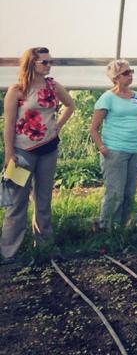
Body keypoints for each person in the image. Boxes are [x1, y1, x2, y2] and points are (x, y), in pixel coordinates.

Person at [2, 47, 75, 262]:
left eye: (50, 61)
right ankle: (9, 253)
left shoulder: (53, 86)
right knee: (17, 203)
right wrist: (8, 154)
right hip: (22, 152)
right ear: (31, 63)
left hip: (48, 149)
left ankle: (45, 248)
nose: (49, 65)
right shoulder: (17, 90)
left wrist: (57, 126)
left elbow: (70, 105)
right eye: (44, 62)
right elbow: (9, 124)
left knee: (44, 200)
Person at [90, 60, 137, 229]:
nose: (131, 75)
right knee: (115, 194)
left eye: (131, 71)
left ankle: (122, 228)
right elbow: (93, 128)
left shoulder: (136, 96)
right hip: (115, 152)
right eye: (126, 73)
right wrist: (102, 148)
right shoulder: (107, 98)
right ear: (115, 78)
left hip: (136, 150)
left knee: (129, 193)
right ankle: (107, 229)